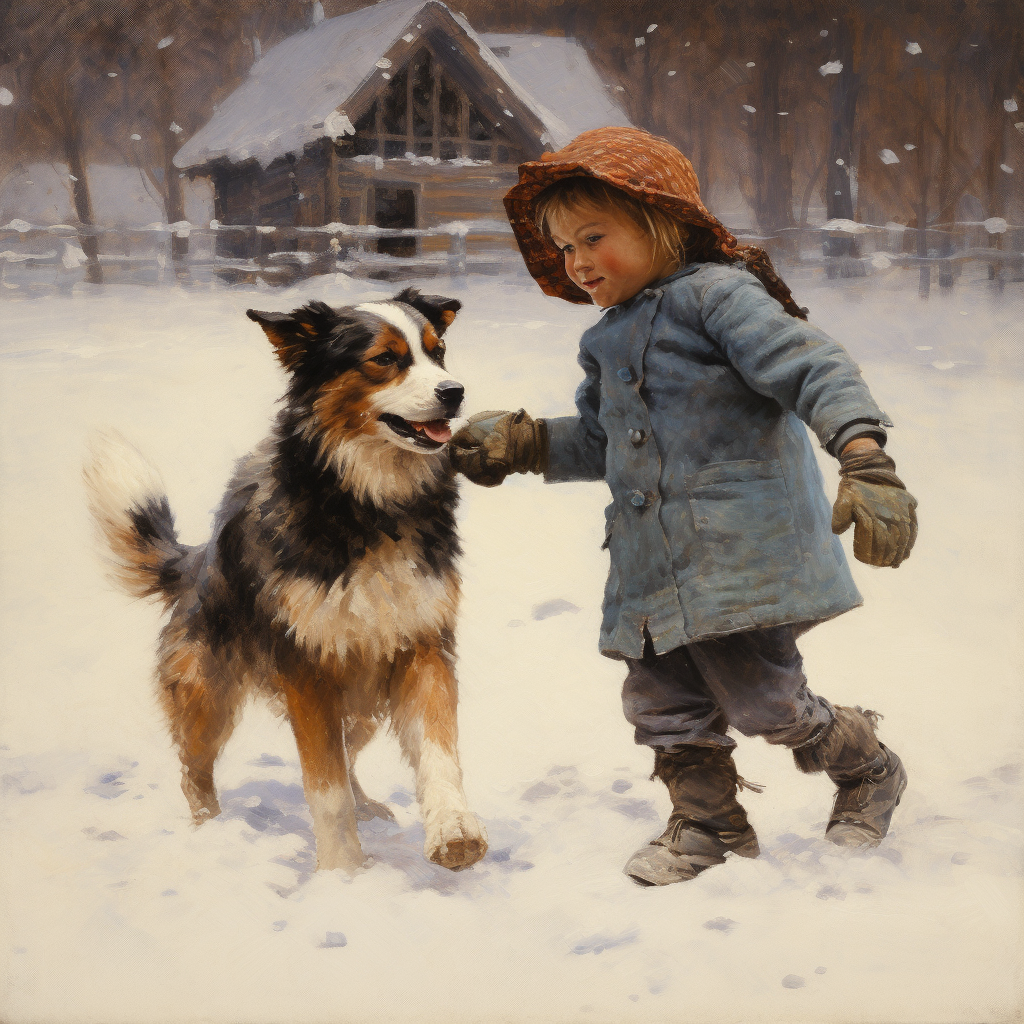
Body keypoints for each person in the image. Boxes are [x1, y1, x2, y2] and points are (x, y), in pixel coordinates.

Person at [449, 127, 918, 887]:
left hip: (742, 554)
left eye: (593, 237)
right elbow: (605, 441)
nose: (577, 262)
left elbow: (813, 367)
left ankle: (866, 764)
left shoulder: (721, 299)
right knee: (660, 703)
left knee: (766, 703)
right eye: (565, 250)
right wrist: (529, 444)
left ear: (663, 223)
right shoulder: (606, 339)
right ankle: (709, 827)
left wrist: (866, 457)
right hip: (651, 563)